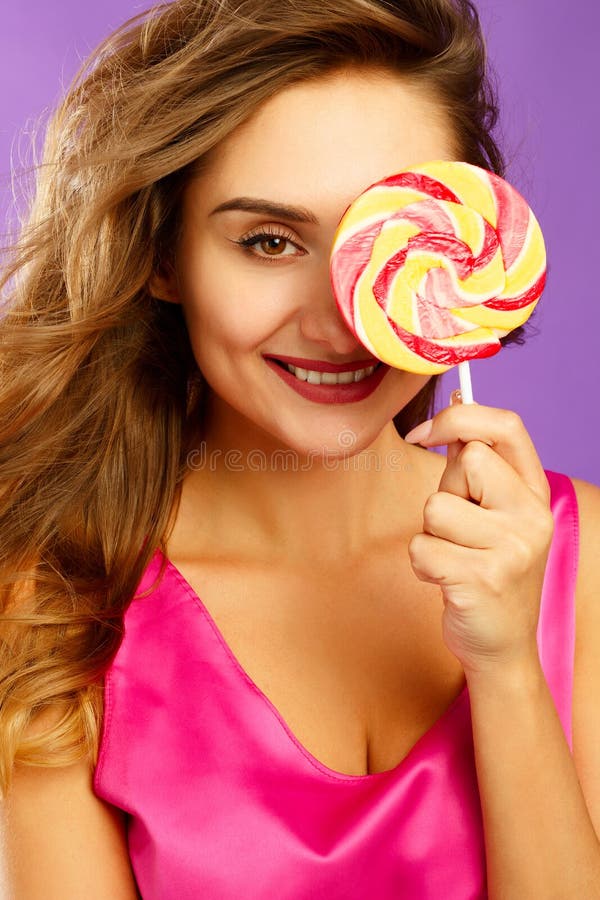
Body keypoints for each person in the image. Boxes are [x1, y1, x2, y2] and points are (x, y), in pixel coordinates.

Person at [1, 0, 599, 897]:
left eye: (393, 242)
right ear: (165, 258)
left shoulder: (580, 556)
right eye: (270, 241)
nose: (338, 320)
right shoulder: (53, 605)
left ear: (467, 251)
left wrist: (509, 668)